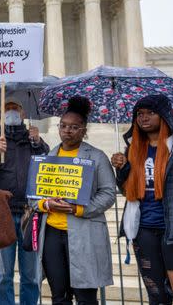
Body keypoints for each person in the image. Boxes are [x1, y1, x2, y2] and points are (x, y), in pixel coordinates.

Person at [111, 94, 173, 304]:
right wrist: (122, 170)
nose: (144, 118)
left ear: (165, 115)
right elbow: (127, 192)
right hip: (144, 232)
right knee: (157, 298)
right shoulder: (133, 150)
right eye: (139, 114)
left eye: (151, 112)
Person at [32, 96, 115, 305]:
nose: (67, 131)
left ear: (84, 130)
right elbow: (34, 196)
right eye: (63, 126)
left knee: (86, 296)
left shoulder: (97, 157)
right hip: (52, 231)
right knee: (59, 295)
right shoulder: (49, 155)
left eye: (74, 127)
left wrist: (77, 209)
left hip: (83, 231)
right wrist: (46, 204)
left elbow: (108, 193)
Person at [0, 98, 49, 305]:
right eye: (7, 108)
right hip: (2, 214)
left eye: (15, 108)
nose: (11, 111)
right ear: (0, 113)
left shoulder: (32, 138)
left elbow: (47, 168)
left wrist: (38, 143)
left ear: (23, 113)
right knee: (3, 275)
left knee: (30, 275)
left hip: (29, 214)